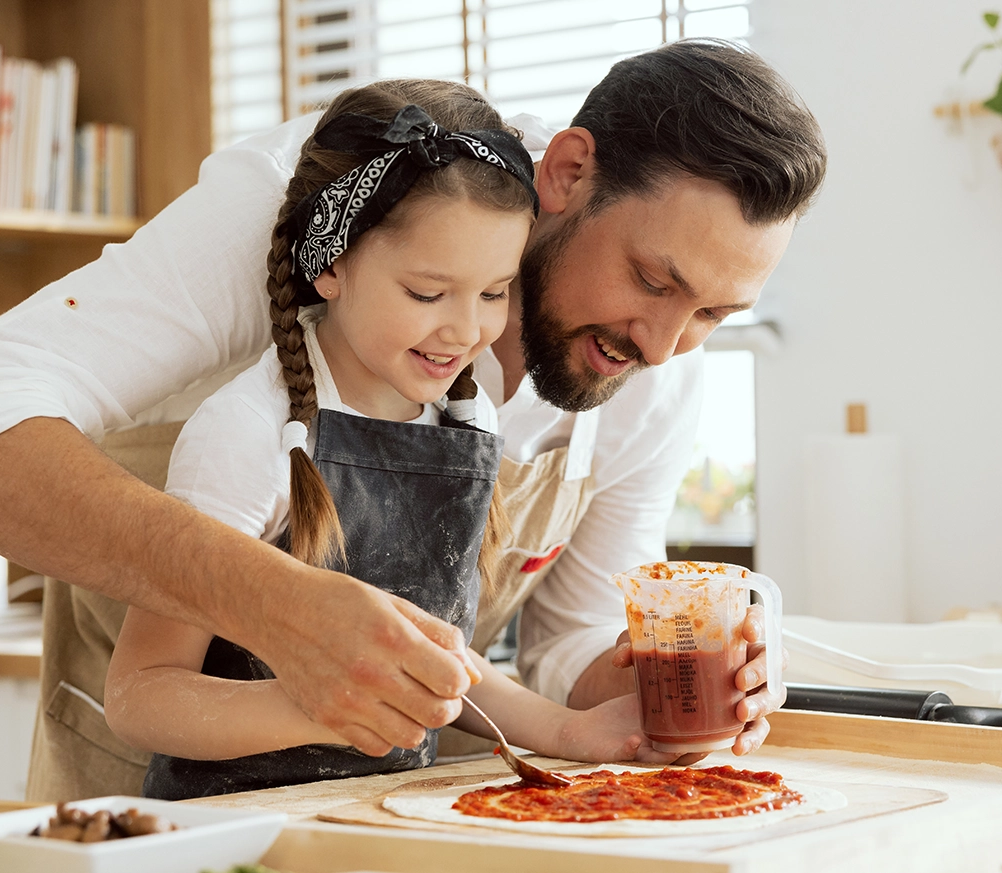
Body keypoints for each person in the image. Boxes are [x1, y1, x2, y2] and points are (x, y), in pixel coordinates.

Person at [0, 38, 826, 800]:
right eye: (654, 282)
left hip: (402, 814)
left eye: (711, 314)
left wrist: (633, 685)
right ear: (570, 170)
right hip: (146, 813)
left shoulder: (647, 362)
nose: (665, 346)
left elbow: (557, 643)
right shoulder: (340, 203)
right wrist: (276, 603)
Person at [104, 82, 687, 799]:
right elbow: (141, 693)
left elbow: (445, 665)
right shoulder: (246, 434)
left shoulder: (463, 424)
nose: (465, 330)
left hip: (380, 823)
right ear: (332, 263)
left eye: (494, 292)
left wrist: (573, 731)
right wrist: (323, 698)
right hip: (237, 831)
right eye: (426, 293)